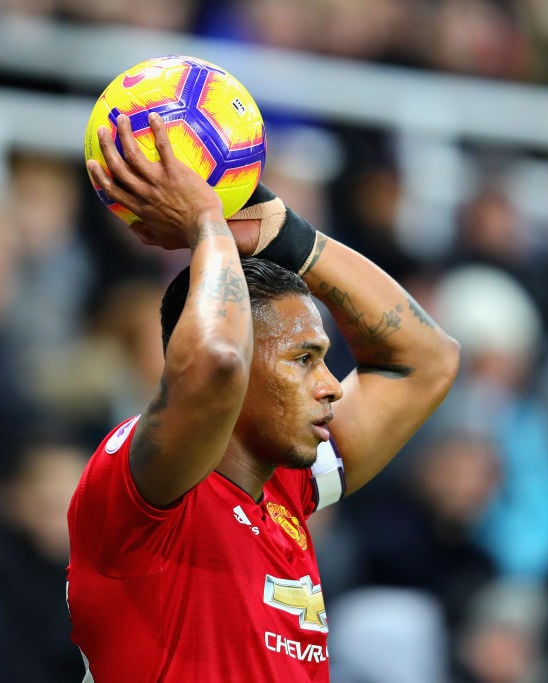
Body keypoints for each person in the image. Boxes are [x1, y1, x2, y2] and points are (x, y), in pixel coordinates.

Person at [67, 112, 460, 682]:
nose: (330, 384)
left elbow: (427, 359)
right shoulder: (143, 488)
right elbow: (215, 365)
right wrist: (208, 226)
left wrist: (290, 238)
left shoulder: (287, 491)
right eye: (304, 359)